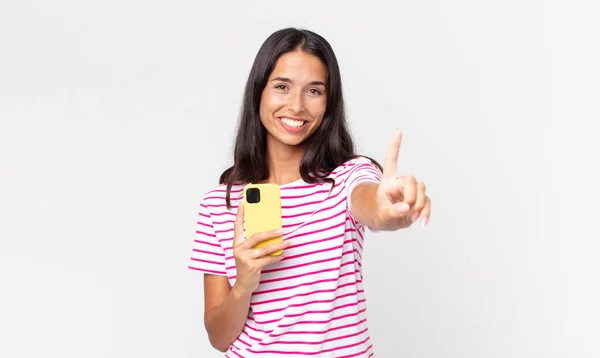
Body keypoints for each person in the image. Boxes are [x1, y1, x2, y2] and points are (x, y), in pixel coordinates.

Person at [188, 28, 431, 357]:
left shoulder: (347, 177)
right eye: (282, 87)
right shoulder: (220, 203)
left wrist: (389, 211)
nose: (297, 105)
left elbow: (371, 204)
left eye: (314, 91)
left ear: (329, 102)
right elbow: (218, 337)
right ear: (259, 91)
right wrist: (244, 284)